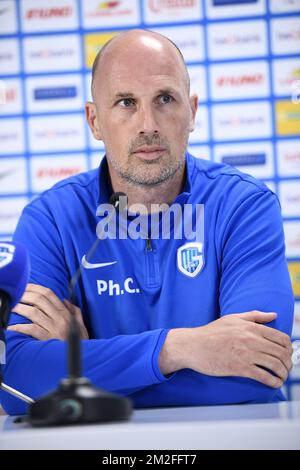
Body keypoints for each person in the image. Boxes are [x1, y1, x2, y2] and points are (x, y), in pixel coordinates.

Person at [0, 29, 294, 416]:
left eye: (165, 99)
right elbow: (15, 382)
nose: (147, 124)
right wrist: (180, 349)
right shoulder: (51, 220)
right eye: (125, 102)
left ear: (191, 111)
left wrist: (79, 370)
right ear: (94, 120)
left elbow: (256, 373)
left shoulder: (245, 206)